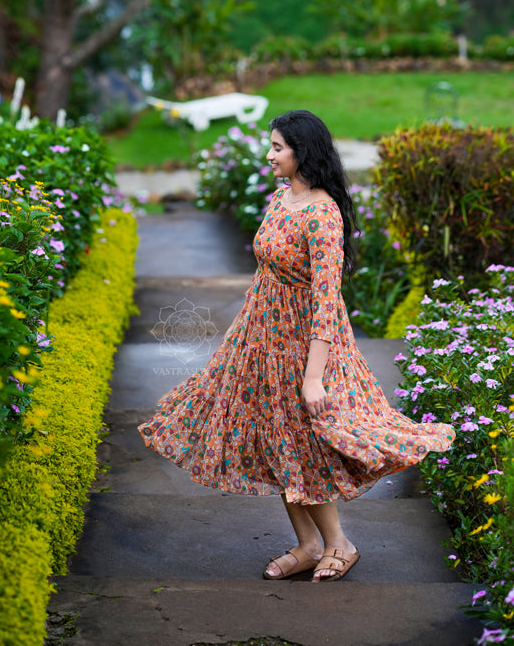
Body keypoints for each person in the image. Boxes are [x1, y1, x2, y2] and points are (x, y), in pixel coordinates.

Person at [138, 110, 455, 582]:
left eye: (277, 148)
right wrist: (241, 332)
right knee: (271, 435)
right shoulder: (281, 197)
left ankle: (339, 544)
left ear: (302, 151)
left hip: (305, 343)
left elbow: (327, 300)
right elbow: (266, 271)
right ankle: (308, 545)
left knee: (302, 440)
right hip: (259, 336)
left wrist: (313, 376)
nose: (268, 156)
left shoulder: (323, 214)